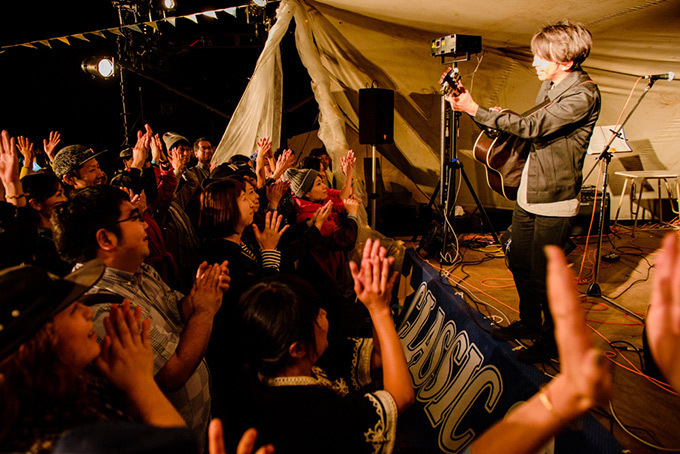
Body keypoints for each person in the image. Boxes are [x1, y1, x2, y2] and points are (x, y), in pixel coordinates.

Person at [446, 20, 601, 362]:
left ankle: (553, 341)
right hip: (529, 190)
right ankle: (530, 323)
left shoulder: (583, 94)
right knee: (518, 261)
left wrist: (477, 109)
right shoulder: (550, 86)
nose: (535, 62)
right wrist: (488, 113)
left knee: (545, 275)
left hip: (555, 197)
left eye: (541, 57)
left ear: (566, 60)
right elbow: (531, 125)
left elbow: (533, 127)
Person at [52, 185, 229, 451]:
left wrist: (199, 293)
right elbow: (172, 372)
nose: (145, 222)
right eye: (134, 216)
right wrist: (204, 310)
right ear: (106, 239)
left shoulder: (139, 270)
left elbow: (175, 311)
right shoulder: (101, 310)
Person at [231, 238, 413, 454]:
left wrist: (376, 304)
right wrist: (380, 310)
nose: (324, 313)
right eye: (317, 315)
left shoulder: (291, 362)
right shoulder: (314, 413)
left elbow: (379, 356)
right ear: (297, 349)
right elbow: (401, 397)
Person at [0, 261, 186, 453]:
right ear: (41, 344)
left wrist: (126, 387)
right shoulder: (64, 443)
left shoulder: (74, 386)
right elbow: (179, 447)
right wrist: (141, 382)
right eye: (73, 311)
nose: (88, 312)